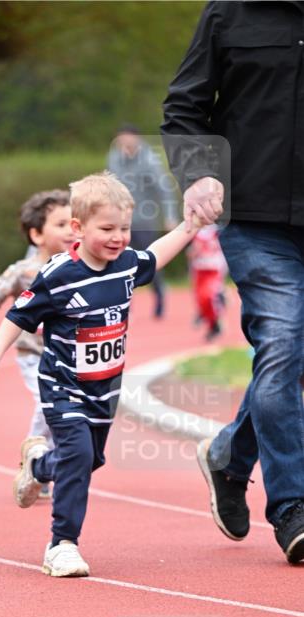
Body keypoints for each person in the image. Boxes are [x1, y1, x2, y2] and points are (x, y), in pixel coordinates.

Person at [0, 172, 201, 578]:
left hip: (105, 388)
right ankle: (62, 545)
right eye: (108, 229)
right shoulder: (58, 275)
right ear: (78, 229)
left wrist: (190, 226)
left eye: (125, 228)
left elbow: (158, 254)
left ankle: (39, 466)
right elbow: (17, 316)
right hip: (62, 385)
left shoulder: (127, 265)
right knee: (78, 454)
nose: (119, 237)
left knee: (89, 459)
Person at [161, 0, 304, 565]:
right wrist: (198, 175)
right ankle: (294, 506)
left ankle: (229, 454)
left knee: (292, 355)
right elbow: (184, 108)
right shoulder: (229, 13)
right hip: (253, 218)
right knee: (284, 344)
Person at [0, 189, 75, 497]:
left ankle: (48, 463)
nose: (69, 231)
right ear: (36, 234)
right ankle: (33, 459)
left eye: (73, 223)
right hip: (33, 355)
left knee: (67, 410)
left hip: (69, 357)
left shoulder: (79, 268)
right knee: (47, 406)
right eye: (60, 225)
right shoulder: (23, 272)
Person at [108, 124, 178, 318]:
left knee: (150, 261)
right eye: (121, 137)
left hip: (145, 220)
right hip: (120, 221)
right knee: (117, 262)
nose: (125, 141)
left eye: (128, 137)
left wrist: (170, 215)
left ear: (137, 138)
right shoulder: (114, 158)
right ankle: (122, 304)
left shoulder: (149, 159)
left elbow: (164, 189)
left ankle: (160, 296)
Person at [187, 223, 227, 341]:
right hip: (199, 269)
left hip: (213, 269)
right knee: (200, 298)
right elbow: (190, 252)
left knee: (208, 296)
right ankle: (210, 321)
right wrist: (193, 253)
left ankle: (215, 322)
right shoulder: (195, 230)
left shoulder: (218, 231)